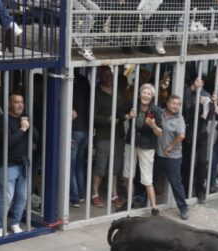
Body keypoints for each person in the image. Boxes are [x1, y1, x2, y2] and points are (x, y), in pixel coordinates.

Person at [0, 93, 34, 237]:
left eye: (21, 102)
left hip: (23, 163)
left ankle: (15, 223)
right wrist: (22, 129)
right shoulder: (3, 119)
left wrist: (28, 124)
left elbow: (36, 137)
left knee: (22, 196)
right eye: (16, 102)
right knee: (6, 197)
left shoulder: (24, 119)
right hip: (8, 163)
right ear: (9, 104)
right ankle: (0, 225)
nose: (19, 105)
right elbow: (8, 142)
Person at [93, 68, 129, 209]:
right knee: (101, 166)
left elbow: (124, 108)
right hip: (103, 135)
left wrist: (127, 114)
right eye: (104, 75)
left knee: (114, 167)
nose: (108, 77)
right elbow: (92, 115)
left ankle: (114, 195)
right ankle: (95, 194)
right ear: (100, 77)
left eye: (110, 75)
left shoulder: (119, 91)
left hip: (118, 134)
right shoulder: (97, 93)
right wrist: (107, 119)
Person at [125, 83, 161, 214]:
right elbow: (119, 114)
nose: (146, 96)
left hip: (147, 146)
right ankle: (130, 202)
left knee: (147, 178)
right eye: (144, 93)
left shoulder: (155, 110)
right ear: (140, 94)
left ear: (152, 96)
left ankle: (154, 207)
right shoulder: (133, 104)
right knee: (128, 174)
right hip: (131, 143)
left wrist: (153, 126)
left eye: (149, 94)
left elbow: (160, 133)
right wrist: (129, 116)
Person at [155, 95, 188, 220]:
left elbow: (181, 136)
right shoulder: (160, 113)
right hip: (158, 154)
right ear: (167, 103)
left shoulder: (179, 118)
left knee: (176, 183)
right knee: (149, 179)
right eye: (173, 103)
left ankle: (183, 208)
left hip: (172, 157)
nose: (176, 106)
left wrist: (171, 146)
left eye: (178, 104)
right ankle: (142, 200)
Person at [182, 75, 213, 204]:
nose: (199, 83)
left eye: (201, 81)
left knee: (202, 162)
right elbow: (185, 111)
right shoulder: (187, 92)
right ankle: (185, 190)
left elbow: (209, 116)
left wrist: (207, 106)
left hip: (201, 133)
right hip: (188, 133)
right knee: (186, 163)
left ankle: (200, 190)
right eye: (196, 80)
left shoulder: (206, 95)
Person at [69, 72, 90, 208]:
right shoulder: (85, 82)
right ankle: (80, 194)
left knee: (69, 165)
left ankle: (74, 197)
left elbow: (72, 113)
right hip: (85, 129)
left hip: (74, 129)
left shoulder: (72, 84)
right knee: (79, 164)